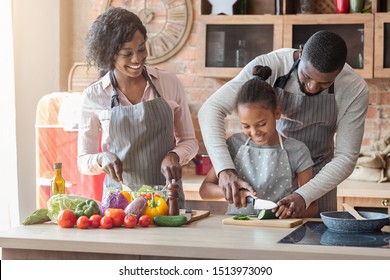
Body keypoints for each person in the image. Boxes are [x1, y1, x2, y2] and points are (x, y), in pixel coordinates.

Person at [198, 30, 368, 218]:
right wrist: (225, 169)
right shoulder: (271, 66)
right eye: (306, 77)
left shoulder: (354, 88)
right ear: (301, 52)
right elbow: (211, 109)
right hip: (272, 171)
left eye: (324, 84)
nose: (312, 87)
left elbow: (346, 157)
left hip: (320, 176)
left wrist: (305, 195)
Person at [77, 7, 198, 208]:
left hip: (167, 201)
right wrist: (101, 158)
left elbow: (189, 141)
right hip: (119, 205)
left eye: (141, 48)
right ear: (109, 56)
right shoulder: (94, 95)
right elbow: (83, 160)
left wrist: (174, 155)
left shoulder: (168, 83)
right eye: (127, 53)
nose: (137, 59)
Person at [199, 65, 317, 217]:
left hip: (279, 232)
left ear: (277, 113)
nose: (254, 133)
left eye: (261, 124)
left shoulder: (298, 151)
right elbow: (205, 190)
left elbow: (312, 207)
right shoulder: (234, 145)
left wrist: (293, 210)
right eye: (246, 126)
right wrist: (231, 191)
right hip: (236, 231)